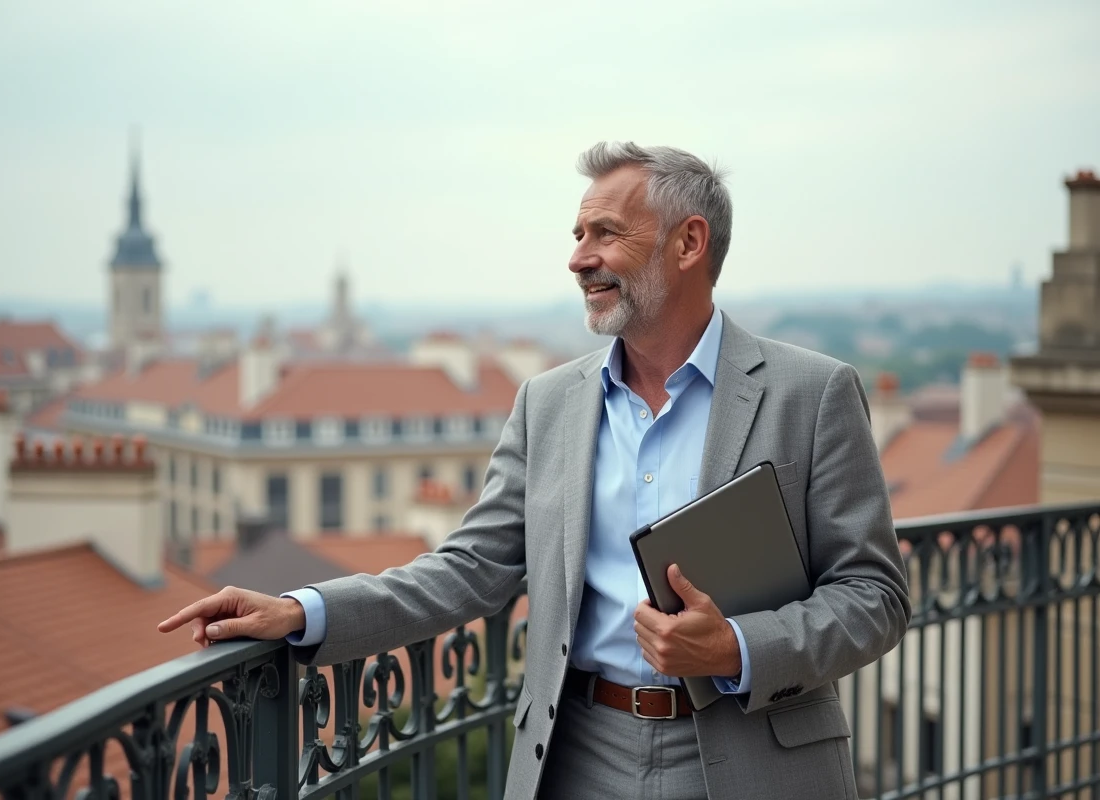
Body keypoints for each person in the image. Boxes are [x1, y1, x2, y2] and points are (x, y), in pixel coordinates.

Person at [159, 142, 911, 800]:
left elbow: (874, 595)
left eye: (606, 233)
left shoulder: (812, 394)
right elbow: (471, 568)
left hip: (752, 758)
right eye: (578, 234)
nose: (579, 257)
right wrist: (305, 611)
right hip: (580, 755)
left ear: (689, 243)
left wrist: (737, 649)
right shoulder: (547, 403)